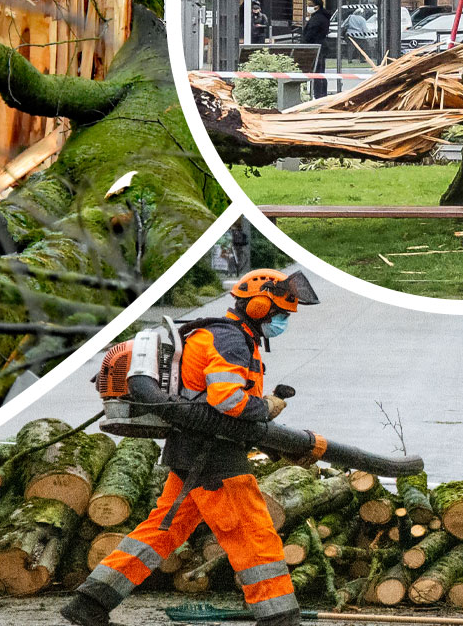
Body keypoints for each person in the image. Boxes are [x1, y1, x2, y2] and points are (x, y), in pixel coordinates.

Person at [64, 268, 321, 626]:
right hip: (214, 456)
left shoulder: (216, 333)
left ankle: (90, 603)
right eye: (280, 314)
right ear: (259, 306)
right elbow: (228, 402)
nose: (282, 322)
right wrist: (267, 407)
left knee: (162, 531)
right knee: (254, 536)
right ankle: (280, 618)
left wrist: (267, 430)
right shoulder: (232, 340)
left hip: (191, 449)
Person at [298, 0, 331, 74]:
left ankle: (317, 86)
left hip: (315, 47)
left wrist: (303, 45)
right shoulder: (322, 17)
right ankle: (320, 85)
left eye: (310, 5)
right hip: (320, 46)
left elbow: (311, 34)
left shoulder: (317, 19)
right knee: (320, 71)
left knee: (316, 71)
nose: (308, 7)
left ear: (317, 7)